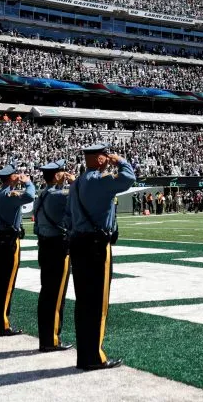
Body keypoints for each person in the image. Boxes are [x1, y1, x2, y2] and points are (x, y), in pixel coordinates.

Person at [69, 144, 135, 371]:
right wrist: (120, 161)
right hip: (96, 246)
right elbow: (128, 178)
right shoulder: (100, 181)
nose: (109, 159)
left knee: (84, 302)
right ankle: (93, 357)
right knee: (97, 303)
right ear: (99, 160)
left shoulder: (77, 183)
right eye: (106, 156)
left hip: (78, 243)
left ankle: (84, 355)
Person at [0, 162, 35, 337]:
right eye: (16, 174)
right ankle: (2, 325)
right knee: (6, 284)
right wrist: (28, 182)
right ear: (11, 177)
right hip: (7, 243)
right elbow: (30, 196)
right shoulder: (8, 194)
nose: (19, 175)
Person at [34, 158, 74, 352]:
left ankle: (46, 338)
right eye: (62, 172)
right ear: (57, 175)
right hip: (58, 246)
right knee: (57, 295)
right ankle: (51, 339)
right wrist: (74, 181)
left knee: (47, 292)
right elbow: (82, 194)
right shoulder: (59, 195)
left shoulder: (43, 194)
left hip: (45, 246)